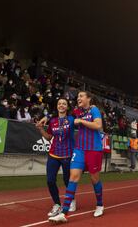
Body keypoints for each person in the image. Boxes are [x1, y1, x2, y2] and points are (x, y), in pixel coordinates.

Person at [48, 91, 104, 223]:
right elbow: (62, 112)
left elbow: (98, 125)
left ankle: (100, 204)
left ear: (88, 98)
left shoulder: (94, 109)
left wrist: (82, 121)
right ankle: (64, 213)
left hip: (93, 149)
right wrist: (47, 118)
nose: (78, 98)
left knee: (94, 179)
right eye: (78, 96)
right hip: (79, 149)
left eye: (81, 96)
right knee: (73, 177)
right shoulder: (77, 111)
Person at [36, 98, 76, 217]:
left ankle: (72, 199)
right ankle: (57, 204)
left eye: (64, 104)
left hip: (67, 154)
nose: (61, 105)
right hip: (53, 153)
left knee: (66, 180)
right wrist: (40, 128)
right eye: (59, 103)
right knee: (50, 180)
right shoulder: (53, 120)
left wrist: (46, 116)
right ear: (57, 106)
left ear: (67, 107)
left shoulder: (71, 119)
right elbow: (48, 137)